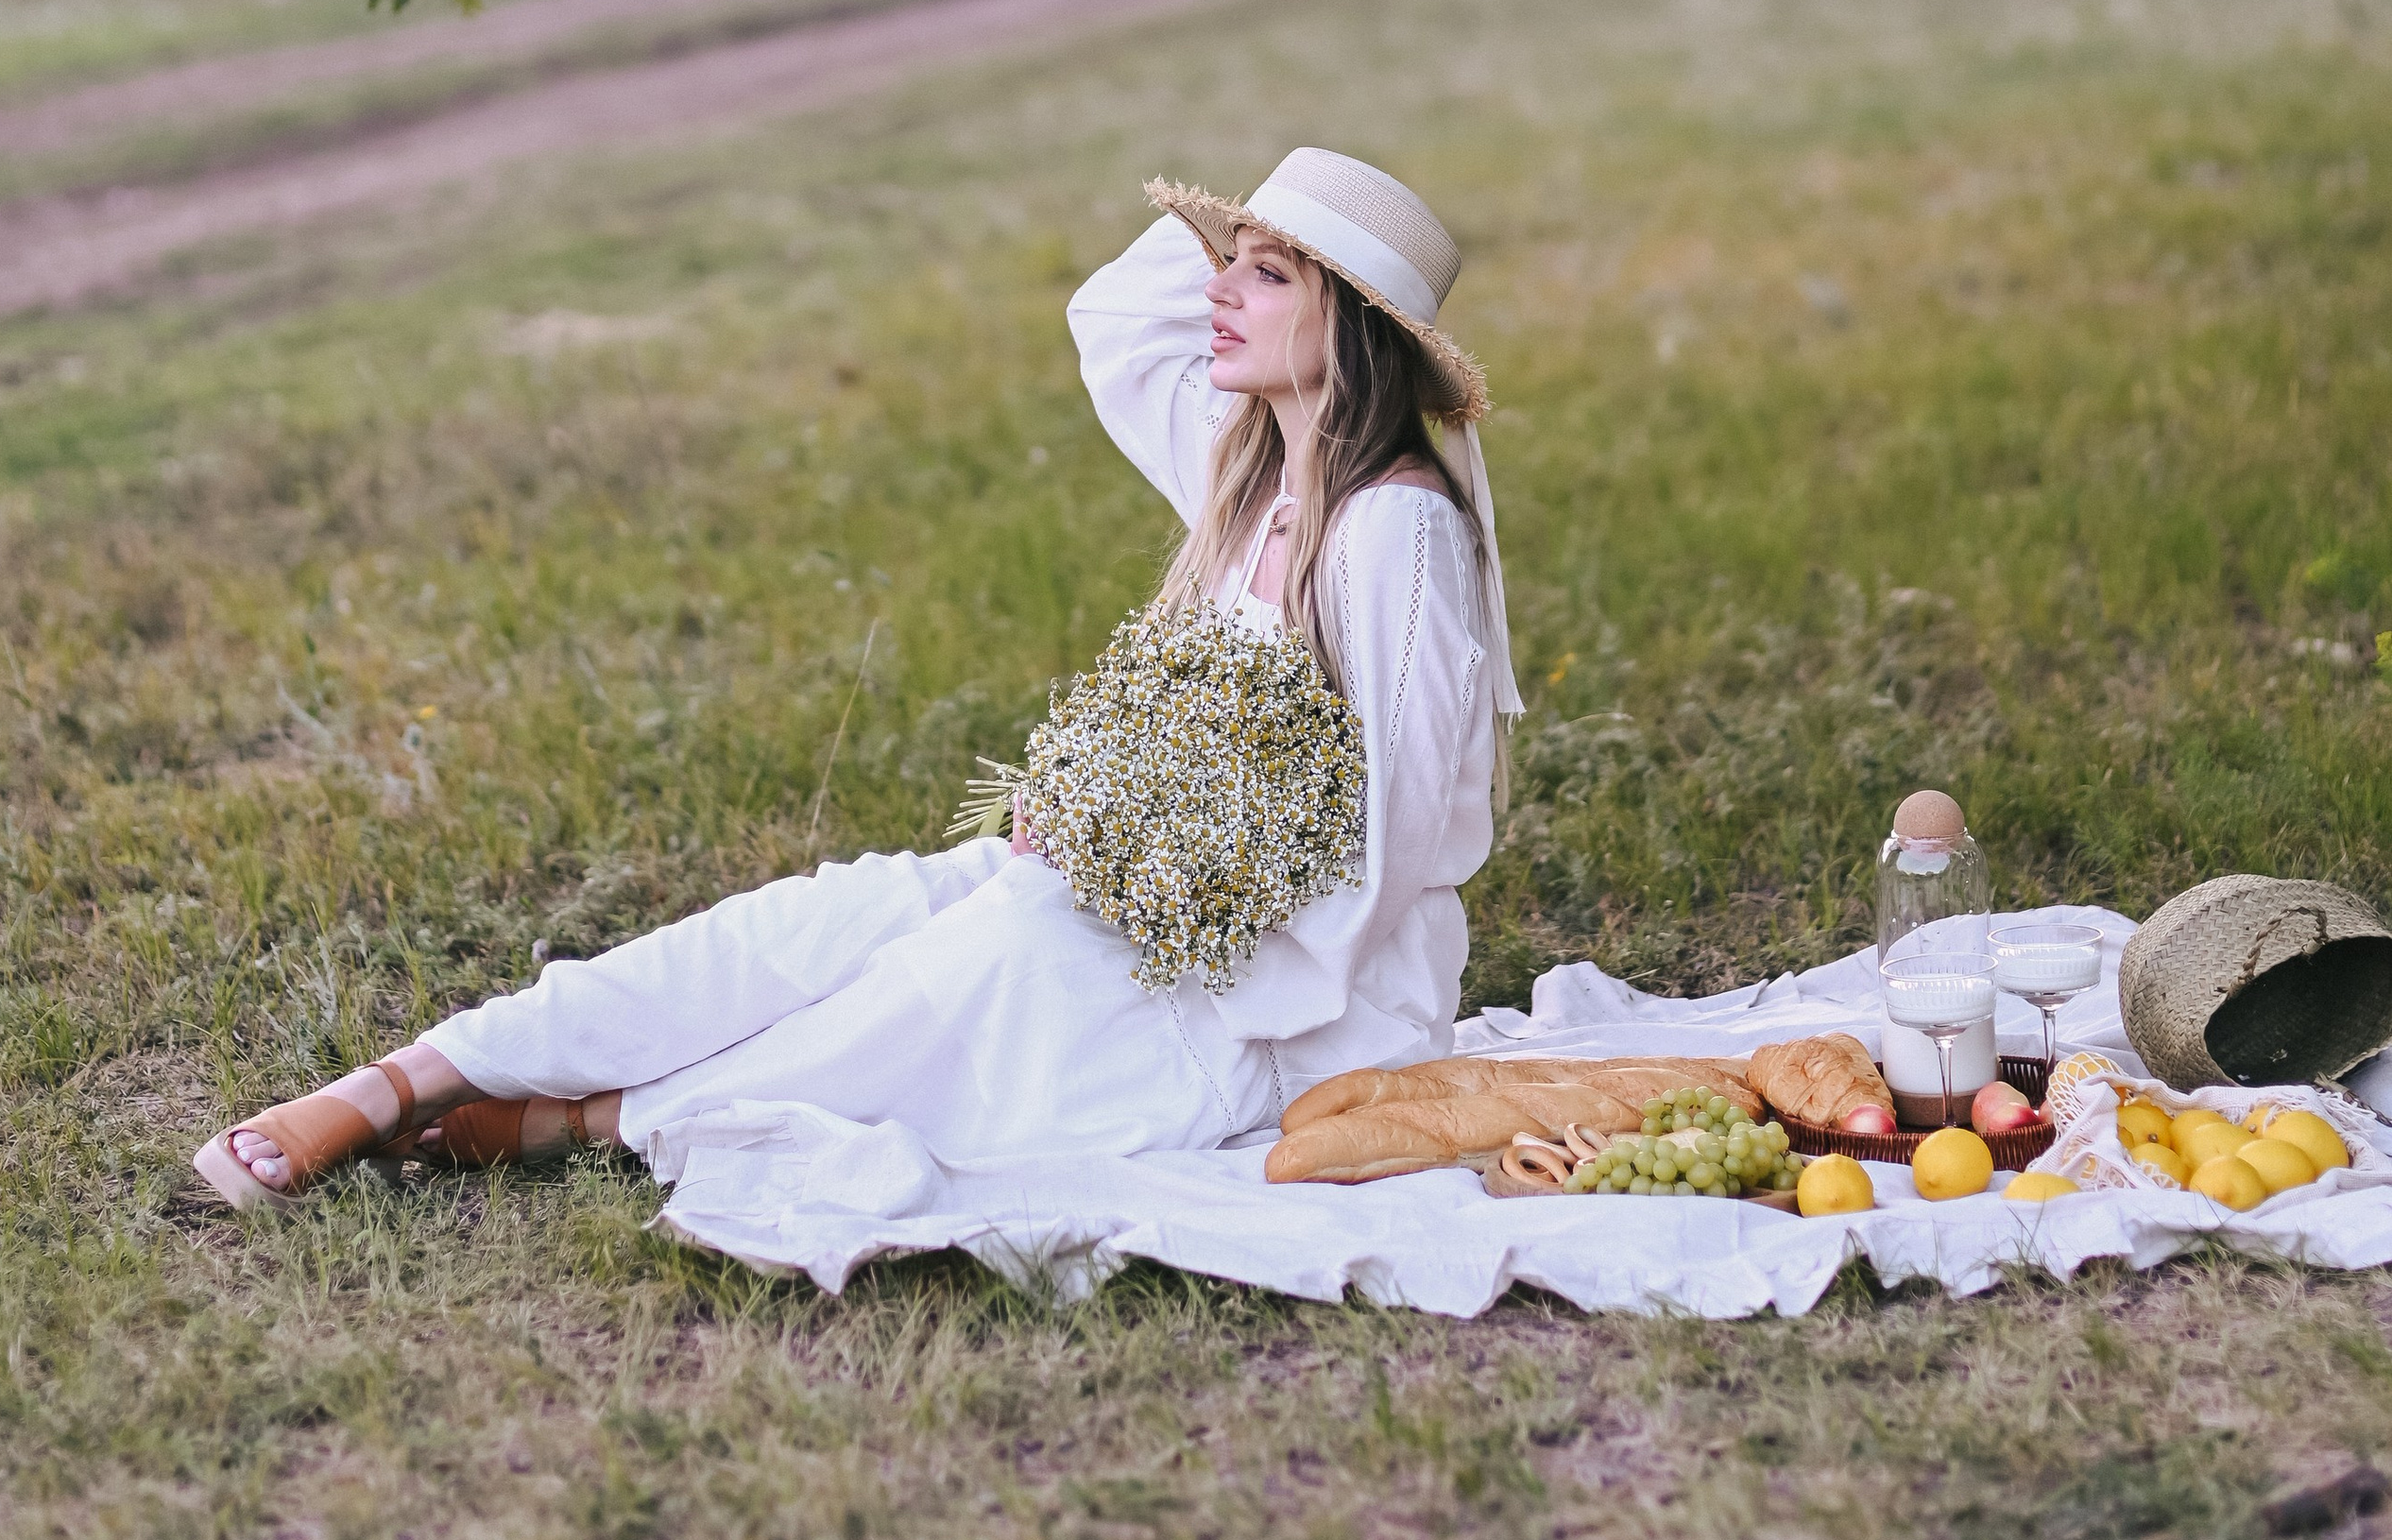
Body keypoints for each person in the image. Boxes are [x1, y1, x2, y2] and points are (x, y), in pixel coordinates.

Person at [191, 146, 1523, 1212]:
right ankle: (411, 1074)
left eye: (1271, 278)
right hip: (1145, 892)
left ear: (1347, 328)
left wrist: (1154, 875)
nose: (1221, 297)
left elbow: (1398, 828)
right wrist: (1113, 832)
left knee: (979, 956)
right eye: (1228, 268)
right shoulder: (1251, 479)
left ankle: (595, 1117)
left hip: (1296, 980)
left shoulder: (1389, 527)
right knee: (837, 917)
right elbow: (1114, 321)